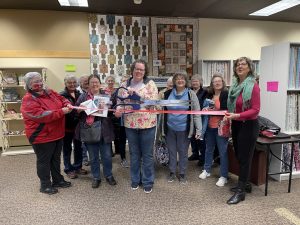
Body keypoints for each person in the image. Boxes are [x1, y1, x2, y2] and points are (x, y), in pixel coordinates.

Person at [21, 72, 72, 195]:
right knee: (44, 161)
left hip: (57, 133)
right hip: (41, 136)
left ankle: (57, 180)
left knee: (55, 159)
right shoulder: (28, 99)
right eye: (35, 82)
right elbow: (41, 115)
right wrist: (61, 111)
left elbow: (61, 98)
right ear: (29, 85)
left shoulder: (49, 92)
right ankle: (45, 185)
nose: (39, 83)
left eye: (40, 80)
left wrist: (67, 103)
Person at [115, 59, 158, 194]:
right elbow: (119, 101)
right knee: (134, 154)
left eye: (142, 69)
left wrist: (139, 95)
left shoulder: (150, 84)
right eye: (137, 69)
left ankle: (147, 181)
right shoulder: (124, 84)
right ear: (132, 70)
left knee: (147, 154)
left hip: (148, 123)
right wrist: (118, 110)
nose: (139, 71)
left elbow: (154, 102)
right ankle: (135, 180)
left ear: (145, 72)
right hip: (130, 124)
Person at [225, 57, 260, 204]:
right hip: (237, 124)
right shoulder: (234, 86)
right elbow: (234, 105)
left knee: (245, 159)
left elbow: (255, 110)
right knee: (239, 156)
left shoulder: (253, 85)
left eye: (243, 64)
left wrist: (237, 115)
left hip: (249, 125)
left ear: (249, 68)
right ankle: (245, 184)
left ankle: (241, 192)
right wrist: (228, 114)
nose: (240, 66)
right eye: (237, 64)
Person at [76, 74, 117, 188]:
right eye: (92, 82)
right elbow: (76, 111)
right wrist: (80, 110)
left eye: (96, 82)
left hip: (104, 130)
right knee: (93, 157)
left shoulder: (106, 96)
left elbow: (112, 112)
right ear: (88, 84)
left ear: (100, 83)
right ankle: (96, 177)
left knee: (107, 156)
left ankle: (108, 175)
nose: (94, 84)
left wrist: (109, 107)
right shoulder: (83, 97)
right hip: (89, 129)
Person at [162, 72, 202, 184]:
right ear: (174, 81)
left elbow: (197, 113)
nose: (180, 80)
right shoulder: (167, 93)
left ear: (186, 81)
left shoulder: (191, 94)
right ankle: (172, 172)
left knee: (183, 152)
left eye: (182, 78)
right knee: (172, 152)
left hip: (184, 129)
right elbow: (161, 111)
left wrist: (199, 129)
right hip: (170, 128)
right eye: (177, 79)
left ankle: (182, 173)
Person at [198, 73, 229, 187]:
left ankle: (224, 176)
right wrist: (206, 108)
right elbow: (204, 107)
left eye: (219, 81)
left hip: (221, 127)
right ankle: (207, 170)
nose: (217, 83)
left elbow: (226, 109)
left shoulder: (226, 94)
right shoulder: (209, 94)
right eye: (215, 81)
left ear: (222, 82)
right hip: (209, 126)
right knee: (208, 149)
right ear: (212, 84)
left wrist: (213, 108)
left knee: (223, 152)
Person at [60, 75, 87, 179]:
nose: (72, 84)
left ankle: (77, 166)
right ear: (65, 83)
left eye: (74, 82)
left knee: (78, 147)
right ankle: (68, 169)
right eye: (69, 83)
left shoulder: (80, 94)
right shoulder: (61, 95)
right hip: (67, 126)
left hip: (78, 126)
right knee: (67, 148)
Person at [188, 74, 207, 167]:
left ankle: (202, 157)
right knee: (192, 136)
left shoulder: (205, 92)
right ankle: (195, 153)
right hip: (190, 118)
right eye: (193, 81)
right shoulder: (188, 92)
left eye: (196, 81)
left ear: (200, 82)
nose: (194, 82)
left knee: (200, 137)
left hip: (201, 117)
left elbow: (207, 103)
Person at [77, 74, 90, 166]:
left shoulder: (91, 91)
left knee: (92, 139)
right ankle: (84, 158)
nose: (86, 82)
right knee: (83, 141)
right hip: (81, 119)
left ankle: (92, 157)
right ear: (80, 83)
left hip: (91, 119)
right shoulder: (77, 92)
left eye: (87, 81)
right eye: (84, 81)